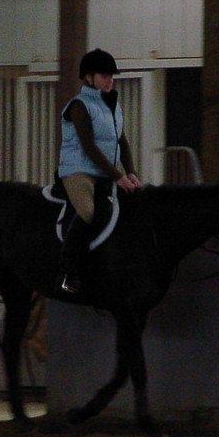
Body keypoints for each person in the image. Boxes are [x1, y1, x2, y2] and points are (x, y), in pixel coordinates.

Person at [54, 48, 142, 295]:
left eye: (111, 76)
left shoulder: (113, 106)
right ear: (88, 77)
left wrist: (132, 172)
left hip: (105, 172)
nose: (110, 80)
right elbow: (89, 146)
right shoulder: (79, 106)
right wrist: (118, 176)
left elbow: (122, 142)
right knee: (88, 211)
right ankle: (66, 270)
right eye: (104, 76)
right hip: (78, 170)